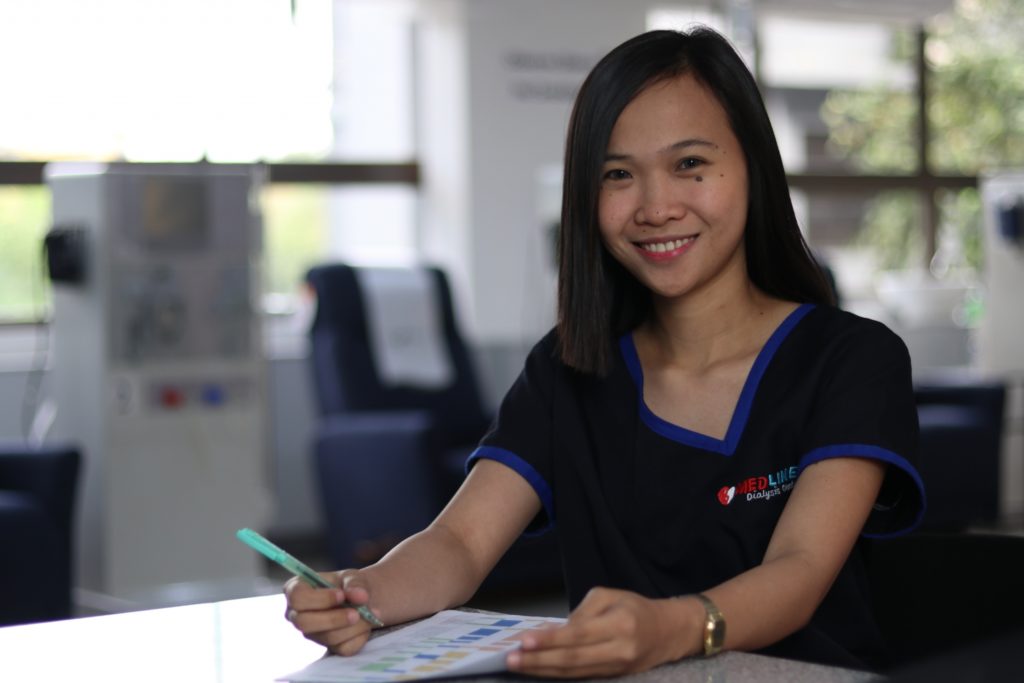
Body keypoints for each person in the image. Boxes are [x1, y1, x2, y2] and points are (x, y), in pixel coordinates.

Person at [284, 26, 924, 676]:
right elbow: (458, 542)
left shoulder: (852, 360)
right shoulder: (566, 370)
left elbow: (802, 569)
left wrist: (668, 626)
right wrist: (362, 594)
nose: (654, 206)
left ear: (755, 167)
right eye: (618, 174)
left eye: (689, 165)